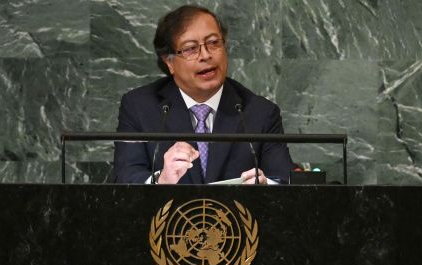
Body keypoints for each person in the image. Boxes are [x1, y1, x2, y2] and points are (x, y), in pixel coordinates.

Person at [113, 5, 294, 184]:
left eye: (214, 43)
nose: (206, 55)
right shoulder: (140, 107)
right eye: (191, 48)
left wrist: (265, 186)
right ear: (169, 62)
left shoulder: (260, 113)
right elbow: (125, 178)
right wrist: (161, 180)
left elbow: (285, 181)